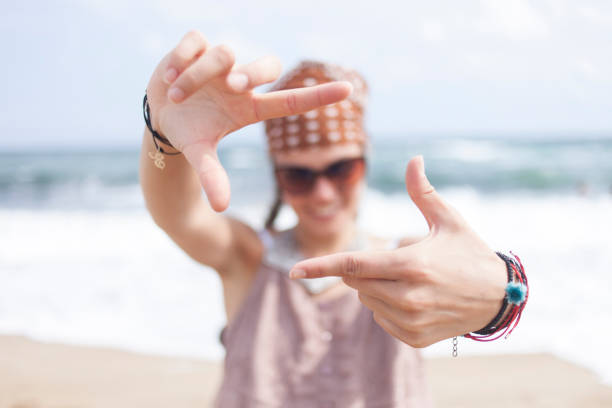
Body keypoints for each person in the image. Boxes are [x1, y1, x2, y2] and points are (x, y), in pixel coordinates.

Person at [140, 30, 514, 407]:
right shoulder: (249, 258)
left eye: (340, 170)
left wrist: (502, 294)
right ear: (278, 179)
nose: (323, 193)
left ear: (365, 165)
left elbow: (463, 277)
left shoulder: (403, 263)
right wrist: (163, 138)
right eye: (299, 176)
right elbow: (179, 214)